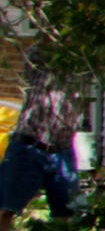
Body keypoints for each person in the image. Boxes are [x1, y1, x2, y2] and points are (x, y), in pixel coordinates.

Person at [0, 46, 84, 220]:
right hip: (28, 147)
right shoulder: (40, 63)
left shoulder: (84, 67)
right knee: (6, 208)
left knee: (69, 214)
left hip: (62, 150)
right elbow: (34, 52)